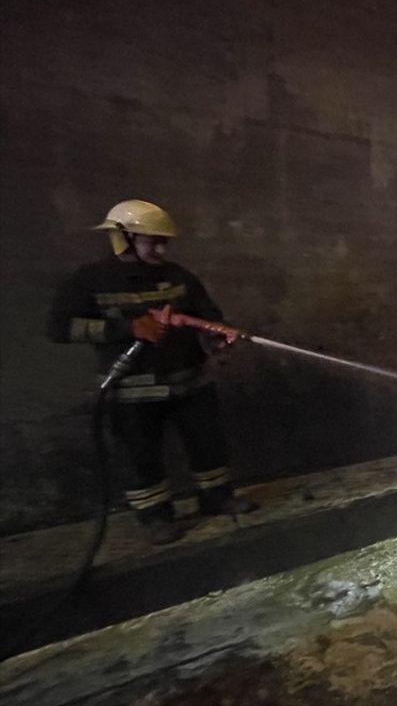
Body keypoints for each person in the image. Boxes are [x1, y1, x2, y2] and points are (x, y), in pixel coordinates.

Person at [47, 200, 256, 544]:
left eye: (164, 242)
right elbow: (59, 328)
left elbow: (208, 316)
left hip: (190, 381)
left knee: (208, 444)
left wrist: (217, 338)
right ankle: (156, 517)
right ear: (124, 238)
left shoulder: (179, 277)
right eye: (151, 241)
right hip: (133, 390)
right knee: (141, 455)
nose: (161, 249)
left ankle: (217, 498)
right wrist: (126, 327)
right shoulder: (90, 280)